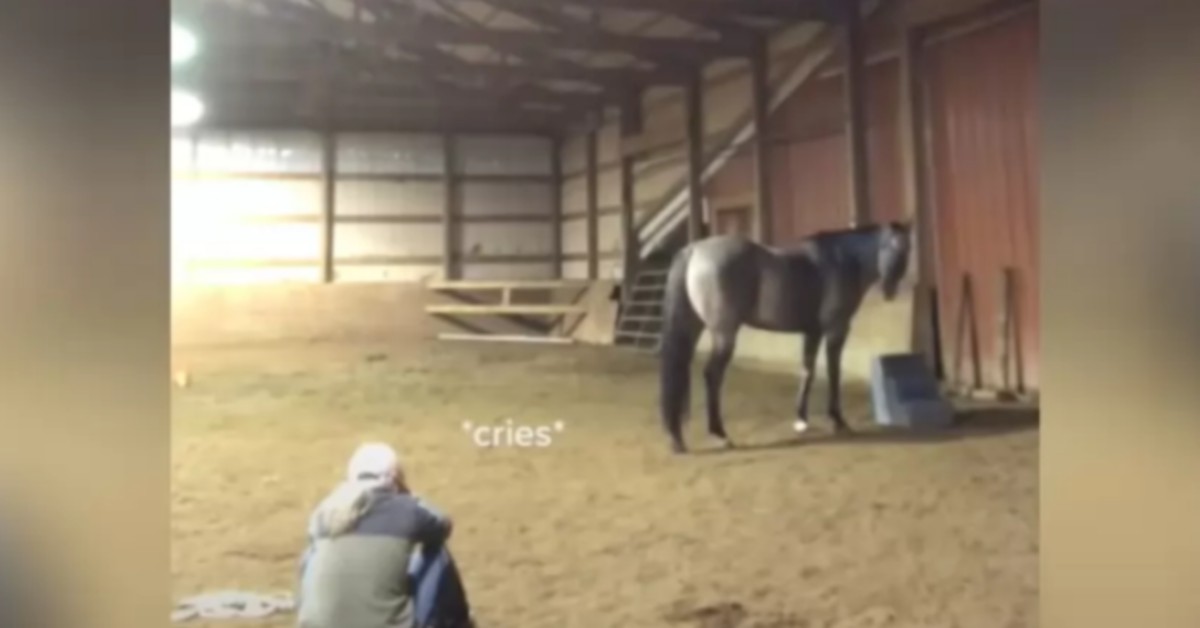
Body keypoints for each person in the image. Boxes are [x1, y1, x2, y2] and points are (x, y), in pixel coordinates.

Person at [297, 443, 473, 628]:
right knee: (437, 551)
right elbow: (443, 525)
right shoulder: (407, 509)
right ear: (394, 477)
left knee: (311, 554)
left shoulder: (323, 512)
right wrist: (409, 495)